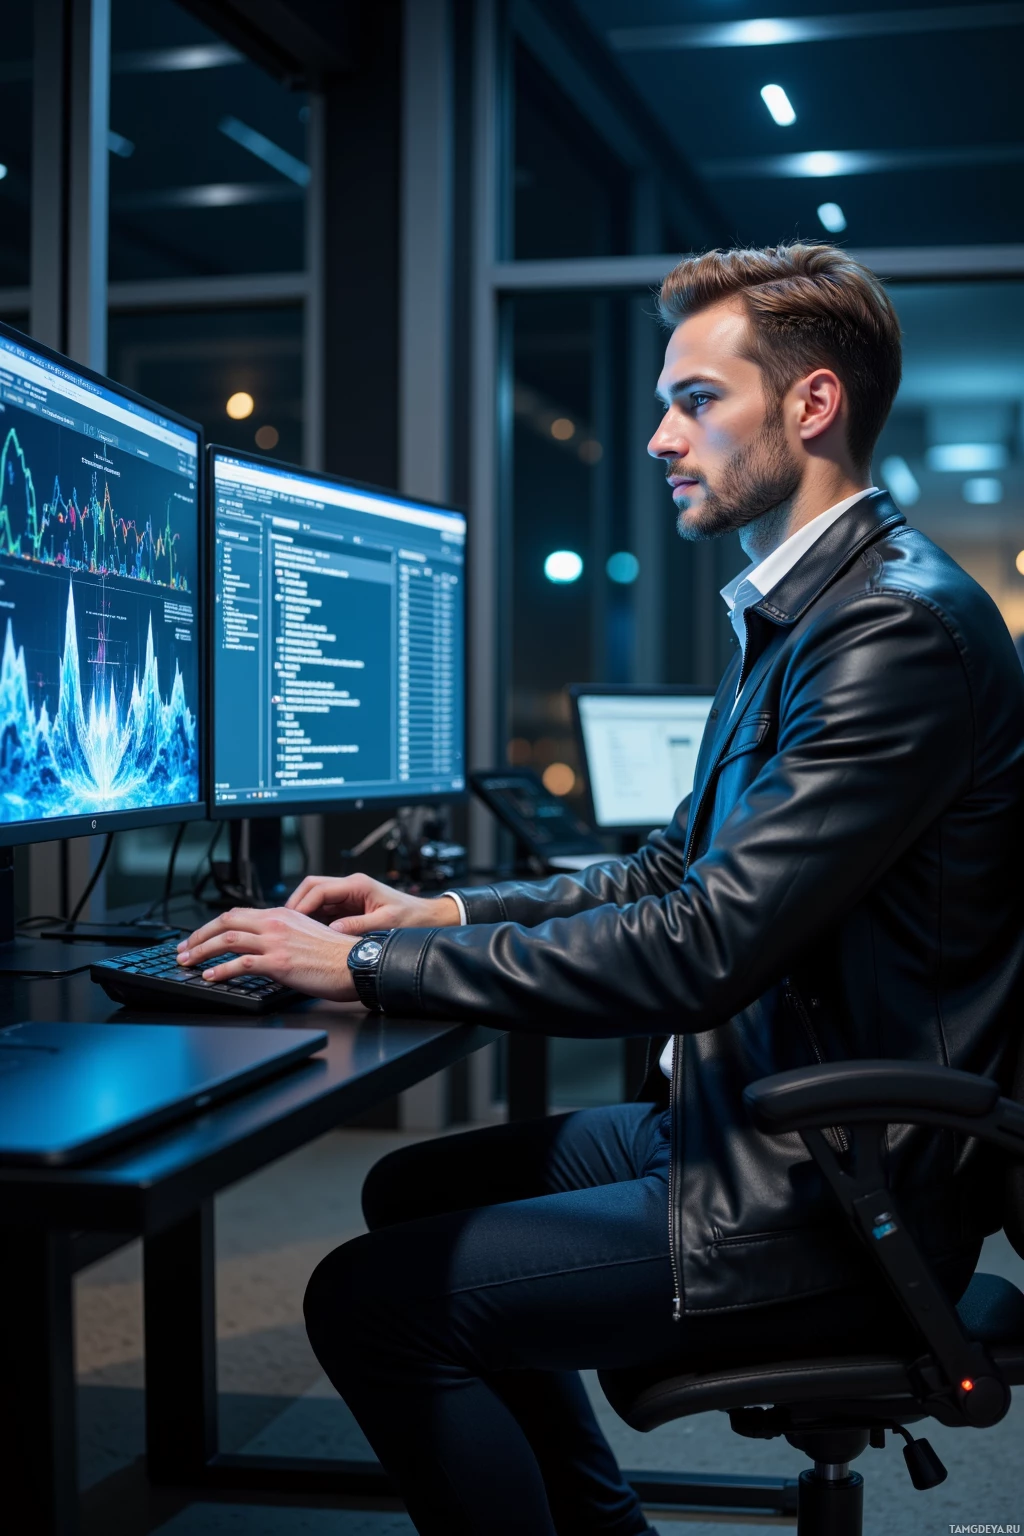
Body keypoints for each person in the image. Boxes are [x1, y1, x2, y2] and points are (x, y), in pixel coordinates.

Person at [177, 244, 1024, 1536]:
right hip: (760, 1125)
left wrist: (364, 968)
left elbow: (700, 945)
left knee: (369, 1303)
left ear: (813, 405)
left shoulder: (889, 631)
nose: (658, 439)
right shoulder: (808, 610)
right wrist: (438, 915)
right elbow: (673, 870)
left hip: (837, 1191)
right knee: (412, 1194)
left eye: (697, 401)